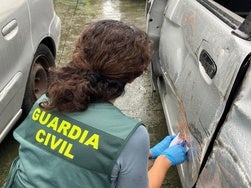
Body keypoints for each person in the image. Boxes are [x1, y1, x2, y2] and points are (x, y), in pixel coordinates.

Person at [4, 19, 186, 188]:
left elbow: (69, 158)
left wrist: (147, 154)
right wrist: (163, 161)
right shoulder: (132, 136)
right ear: (132, 78)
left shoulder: (47, 102)